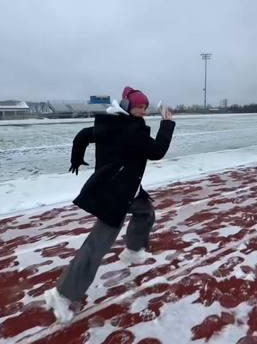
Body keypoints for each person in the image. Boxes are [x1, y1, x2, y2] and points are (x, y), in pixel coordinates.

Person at [44, 86, 175, 323]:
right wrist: (167, 124)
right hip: (115, 196)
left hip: (129, 189)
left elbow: (84, 134)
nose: (143, 112)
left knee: (146, 213)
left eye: (145, 107)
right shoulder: (130, 130)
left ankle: (133, 252)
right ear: (127, 106)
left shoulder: (113, 123)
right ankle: (61, 294)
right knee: (97, 246)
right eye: (139, 107)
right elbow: (156, 151)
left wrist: (76, 156)